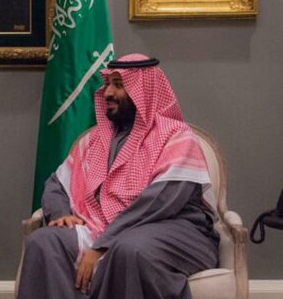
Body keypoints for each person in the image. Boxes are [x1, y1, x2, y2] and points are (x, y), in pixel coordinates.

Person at [18, 54, 219, 299]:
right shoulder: (95, 140)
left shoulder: (176, 136)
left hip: (174, 229)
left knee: (129, 249)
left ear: (143, 91)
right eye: (107, 84)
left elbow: (159, 202)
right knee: (43, 241)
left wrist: (103, 244)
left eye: (118, 85)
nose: (108, 93)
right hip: (101, 226)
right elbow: (57, 183)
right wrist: (61, 213)